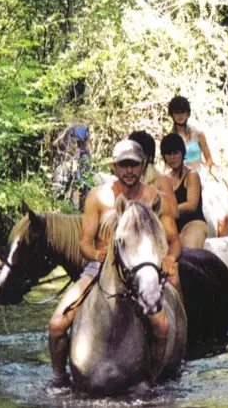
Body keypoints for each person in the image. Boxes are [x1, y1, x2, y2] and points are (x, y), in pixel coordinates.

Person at [47, 140, 182, 388]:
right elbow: (85, 243)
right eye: (123, 165)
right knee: (57, 324)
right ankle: (59, 379)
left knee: (161, 326)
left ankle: (151, 379)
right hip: (101, 268)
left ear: (143, 166)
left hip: (142, 267)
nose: (129, 171)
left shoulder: (155, 199)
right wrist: (96, 254)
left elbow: (174, 241)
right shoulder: (99, 197)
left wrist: (170, 259)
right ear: (114, 166)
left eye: (133, 165)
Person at [167, 96, 228, 236]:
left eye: (183, 112)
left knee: (223, 216)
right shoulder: (170, 138)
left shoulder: (198, 135)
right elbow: (167, 165)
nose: (180, 116)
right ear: (172, 114)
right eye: (176, 112)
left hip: (200, 176)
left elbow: (209, 159)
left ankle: (225, 247)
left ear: (188, 114)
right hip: (180, 178)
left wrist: (204, 176)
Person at [161, 133, 209, 249]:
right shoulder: (164, 179)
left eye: (176, 153)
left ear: (182, 153)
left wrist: (170, 209)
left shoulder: (192, 175)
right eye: (168, 154)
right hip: (171, 224)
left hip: (193, 222)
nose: (172, 157)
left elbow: (191, 205)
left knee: (188, 246)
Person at [127, 130, 178, 217]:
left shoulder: (161, 180)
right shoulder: (125, 177)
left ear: (149, 157)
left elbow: (174, 212)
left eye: (140, 156)